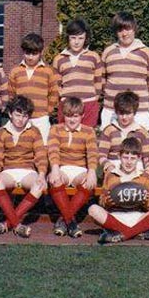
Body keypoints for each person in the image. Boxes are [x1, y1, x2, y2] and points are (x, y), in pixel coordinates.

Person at [88, 137, 149, 244]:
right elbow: (102, 202)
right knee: (93, 209)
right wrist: (108, 201)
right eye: (125, 157)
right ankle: (137, 232)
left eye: (133, 158)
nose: (129, 162)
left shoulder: (144, 176)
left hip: (138, 217)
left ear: (139, 158)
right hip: (116, 216)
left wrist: (146, 200)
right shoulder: (111, 175)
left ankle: (122, 234)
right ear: (119, 156)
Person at [0, 96, 48, 238]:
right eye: (18, 115)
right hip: (8, 170)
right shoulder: (1, 131)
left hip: (28, 171)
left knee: (39, 185)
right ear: (10, 114)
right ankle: (17, 225)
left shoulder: (34, 131)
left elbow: (40, 156)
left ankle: (6, 224)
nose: (21, 119)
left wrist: (41, 175)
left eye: (25, 116)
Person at [47, 97, 99, 238]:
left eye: (75, 116)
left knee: (88, 182)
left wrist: (92, 171)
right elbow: (53, 150)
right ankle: (72, 223)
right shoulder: (56, 129)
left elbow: (92, 153)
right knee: (55, 180)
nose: (72, 120)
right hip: (61, 167)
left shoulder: (88, 131)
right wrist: (55, 169)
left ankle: (64, 220)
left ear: (82, 116)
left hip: (79, 169)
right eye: (68, 116)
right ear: (63, 115)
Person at [100, 12, 149, 130]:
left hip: (139, 110)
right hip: (111, 109)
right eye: (120, 30)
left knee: (140, 140)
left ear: (134, 29)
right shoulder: (108, 51)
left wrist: (146, 97)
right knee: (111, 140)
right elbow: (101, 77)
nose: (124, 33)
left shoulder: (145, 51)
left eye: (128, 29)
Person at [8, 33, 60, 144]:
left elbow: (54, 93)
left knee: (43, 145)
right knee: (21, 145)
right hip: (21, 118)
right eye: (28, 53)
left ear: (41, 52)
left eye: (34, 53)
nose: (30, 57)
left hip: (41, 118)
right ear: (23, 52)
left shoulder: (48, 71)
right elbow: (11, 93)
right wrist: (16, 113)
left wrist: (47, 111)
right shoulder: (15, 71)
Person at [52, 18, 103, 127]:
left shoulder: (94, 57)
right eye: (73, 38)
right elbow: (56, 83)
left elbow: (99, 81)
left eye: (80, 38)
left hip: (88, 104)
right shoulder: (59, 58)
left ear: (86, 38)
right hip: (67, 105)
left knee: (87, 134)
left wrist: (95, 98)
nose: (76, 42)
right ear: (68, 38)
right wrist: (63, 97)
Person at [98, 91, 149, 174]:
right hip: (114, 166)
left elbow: (147, 157)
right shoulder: (109, 130)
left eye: (128, 113)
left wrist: (148, 169)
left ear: (134, 112)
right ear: (116, 112)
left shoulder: (142, 133)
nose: (124, 117)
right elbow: (101, 155)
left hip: (136, 167)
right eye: (121, 113)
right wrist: (108, 165)